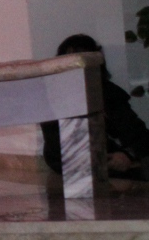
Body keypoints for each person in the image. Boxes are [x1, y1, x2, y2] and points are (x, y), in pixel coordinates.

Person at [41, 34, 149, 181]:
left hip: (110, 158)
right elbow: (56, 144)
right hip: (73, 162)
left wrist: (128, 154)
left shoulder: (107, 92)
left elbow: (135, 132)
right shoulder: (54, 96)